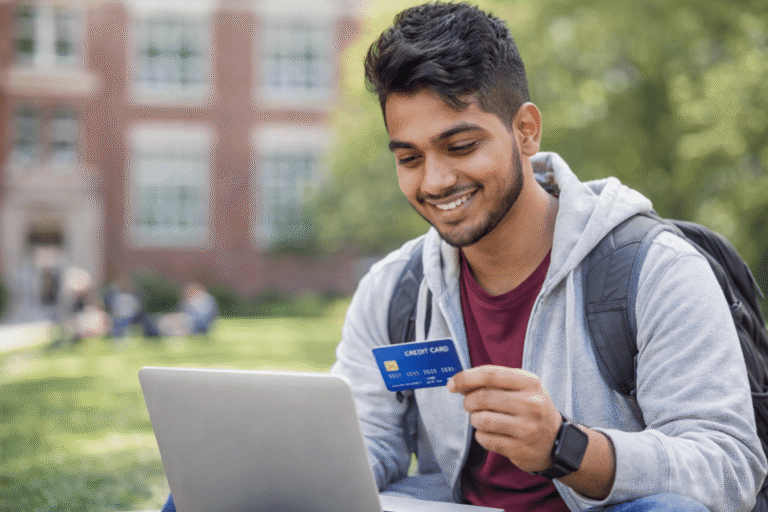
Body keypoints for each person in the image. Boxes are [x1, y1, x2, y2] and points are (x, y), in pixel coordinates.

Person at [160, 3, 765, 511]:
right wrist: (296, 468)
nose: (435, 181)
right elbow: (371, 437)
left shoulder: (654, 269)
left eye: (461, 145)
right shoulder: (394, 289)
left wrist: (566, 446)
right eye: (409, 157)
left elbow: (730, 465)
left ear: (525, 131)